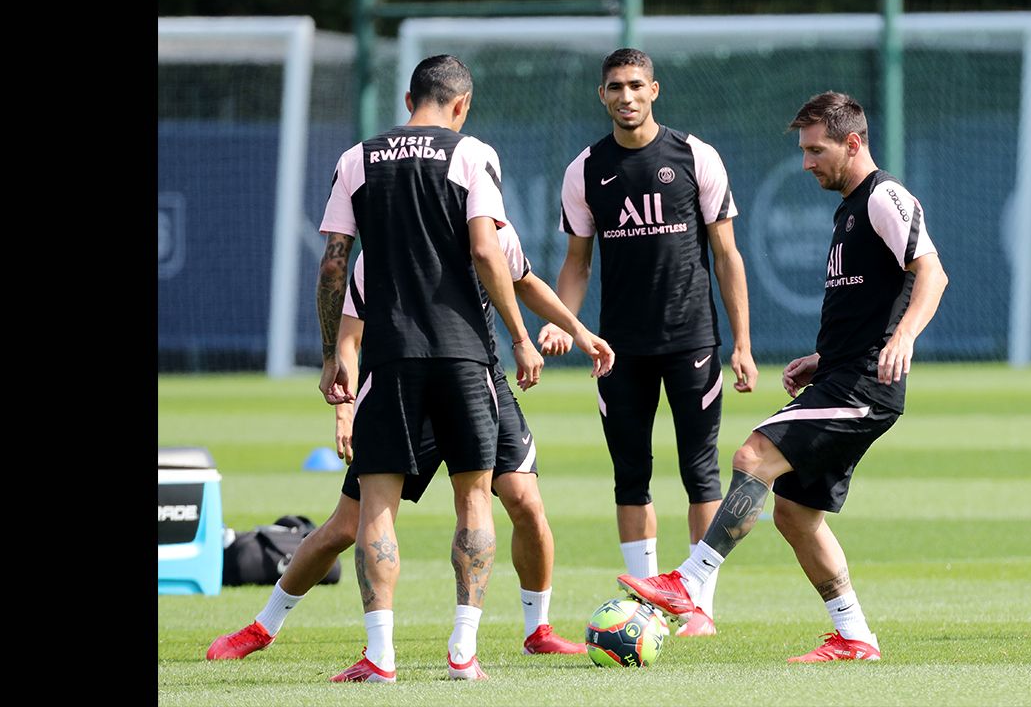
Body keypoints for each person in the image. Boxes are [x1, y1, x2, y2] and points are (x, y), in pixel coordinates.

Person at [618, 90, 948, 662]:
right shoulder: (849, 207)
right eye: (803, 150)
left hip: (866, 386)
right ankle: (855, 636)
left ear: (853, 143)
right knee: (795, 514)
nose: (806, 162)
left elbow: (932, 273)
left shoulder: (885, 196)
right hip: (843, 374)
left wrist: (903, 339)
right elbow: (870, 300)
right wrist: (825, 356)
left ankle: (688, 582)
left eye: (816, 150)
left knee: (752, 457)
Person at [313, 55, 612, 683]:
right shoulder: (472, 154)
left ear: (407, 99)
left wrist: (329, 356)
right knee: (475, 498)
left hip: (389, 355)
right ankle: (462, 652)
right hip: (465, 354)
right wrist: (521, 340)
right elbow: (485, 249)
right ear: (462, 104)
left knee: (377, 507)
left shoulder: (356, 159)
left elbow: (335, 266)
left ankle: (380, 656)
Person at [206, 232, 601, 669]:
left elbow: (525, 280)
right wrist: (346, 409)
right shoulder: (384, 248)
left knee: (525, 501)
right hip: (404, 388)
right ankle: (264, 626)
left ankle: (537, 630)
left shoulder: (491, 232)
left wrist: (578, 331)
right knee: (344, 526)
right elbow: (350, 338)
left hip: (477, 381)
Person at [538, 48, 758, 637]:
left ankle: (697, 606)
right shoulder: (584, 169)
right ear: (602, 95)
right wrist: (564, 322)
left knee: (701, 472)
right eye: (615, 87)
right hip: (619, 349)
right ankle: (649, 607)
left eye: (636, 85)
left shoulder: (695, 155)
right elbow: (577, 263)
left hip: (693, 340)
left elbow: (727, 254)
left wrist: (742, 342)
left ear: (654, 90)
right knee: (630, 475)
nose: (626, 96)